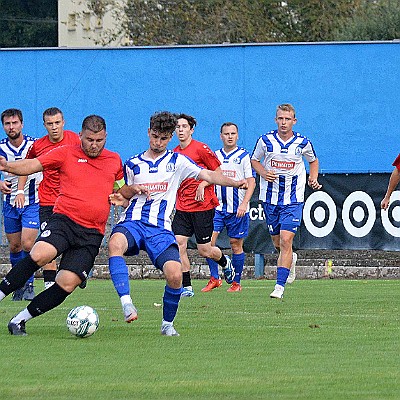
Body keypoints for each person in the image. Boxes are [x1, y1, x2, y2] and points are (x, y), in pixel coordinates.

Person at [108, 111, 248, 336]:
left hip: (160, 227)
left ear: (170, 137)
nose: (158, 142)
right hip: (133, 221)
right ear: (148, 133)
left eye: (163, 138)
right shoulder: (133, 163)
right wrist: (128, 192)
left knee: (174, 275)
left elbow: (209, 175)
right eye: (154, 136)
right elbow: (123, 193)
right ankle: (126, 303)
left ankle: (167, 325)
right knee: (115, 243)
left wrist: (235, 183)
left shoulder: (178, 161)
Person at [0, 115, 135, 336]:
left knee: (67, 283)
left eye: (99, 140)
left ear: (106, 137)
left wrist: (126, 195)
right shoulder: (66, 152)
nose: (94, 145)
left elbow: (120, 187)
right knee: (41, 254)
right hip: (64, 221)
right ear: (81, 135)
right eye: (90, 139)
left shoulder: (113, 159)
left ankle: (19, 321)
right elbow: (33, 164)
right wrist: (7, 166)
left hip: (92, 234)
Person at [251, 103, 322, 299]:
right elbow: (254, 160)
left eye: (287, 119)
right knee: (278, 242)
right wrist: (264, 172)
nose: (283, 122)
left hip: (293, 198)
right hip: (270, 198)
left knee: (286, 239)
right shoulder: (265, 141)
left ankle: (279, 287)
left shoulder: (302, 142)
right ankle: (290, 260)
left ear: (294, 121)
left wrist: (313, 177)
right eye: (280, 118)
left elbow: (313, 160)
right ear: (276, 120)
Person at [16, 107, 80, 290]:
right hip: (48, 201)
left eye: (57, 123)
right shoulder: (38, 146)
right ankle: (50, 286)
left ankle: (76, 270)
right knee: (43, 242)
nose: (54, 127)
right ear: (44, 125)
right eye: (50, 124)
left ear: (63, 123)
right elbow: (26, 166)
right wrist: (20, 190)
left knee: (73, 241)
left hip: (71, 200)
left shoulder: (75, 140)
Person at [172, 113, 234, 298]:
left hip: (202, 206)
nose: (181, 130)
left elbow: (217, 172)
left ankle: (224, 262)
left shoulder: (201, 149)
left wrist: (203, 183)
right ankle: (187, 287)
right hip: (183, 207)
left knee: (204, 250)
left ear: (191, 130)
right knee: (178, 245)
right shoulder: (174, 153)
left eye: (184, 127)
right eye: (178, 127)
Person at [201, 122, 256, 292]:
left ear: (237, 136)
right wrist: (202, 185)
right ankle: (214, 277)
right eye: (226, 134)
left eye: (233, 133)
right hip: (216, 208)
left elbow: (251, 181)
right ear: (221, 136)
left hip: (236, 209)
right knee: (208, 244)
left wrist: (244, 203)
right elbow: (209, 176)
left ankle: (236, 283)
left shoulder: (244, 156)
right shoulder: (215, 155)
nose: (230, 136)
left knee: (235, 244)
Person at [0, 108, 41, 301]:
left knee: (28, 243)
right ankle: (18, 284)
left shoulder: (33, 145)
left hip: (32, 200)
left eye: (14, 123)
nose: (11, 127)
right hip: (9, 204)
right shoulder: (1, 148)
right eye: (7, 124)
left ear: (22, 124)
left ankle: (29, 284)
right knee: (15, 247)